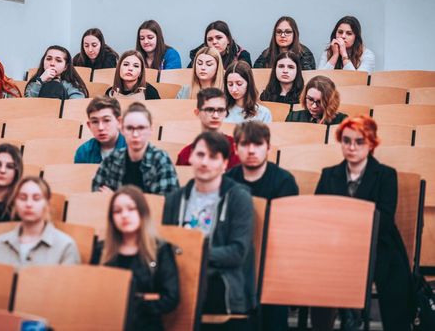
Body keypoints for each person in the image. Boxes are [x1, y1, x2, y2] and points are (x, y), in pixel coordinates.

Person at [312, 116, 414, 331]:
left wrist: (345, 221)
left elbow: (384, 219)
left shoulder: (386, 175)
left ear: (371, 144)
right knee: (318, 266)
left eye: (359, 142)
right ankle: (342, 315)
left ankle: (353, 312)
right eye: (346, 141)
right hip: (336, 245)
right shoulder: (329, 174)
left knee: (393, 275)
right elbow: (320, 214)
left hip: (376, 244)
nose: (352, 147)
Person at [163, 131, 255, 328]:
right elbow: (166, 244)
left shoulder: (239, 198)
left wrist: (196, 254)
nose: (204, 162)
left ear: (224, 164)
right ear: (190, 158)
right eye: (200, 155)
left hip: (220, 279)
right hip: (179, 276)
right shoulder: (175, 199)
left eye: (213, 157)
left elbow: (238, 252)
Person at [226, 121, 297, 331]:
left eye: (257, 144)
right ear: (235, 148)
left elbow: (286, 231)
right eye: (245, 144)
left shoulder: (284, 181)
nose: (251, 150)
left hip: (273, 261)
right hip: (237, 259)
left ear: (268, 147)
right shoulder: (228, 181)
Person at [99, 185, 180, 330]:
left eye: (131, 209)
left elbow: (170, 298)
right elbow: (95, 295)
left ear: (142, 213)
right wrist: (145, 297)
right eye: (117, 211)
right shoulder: (101, 250)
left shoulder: (160, 250)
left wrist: (133, 301)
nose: (124, 215)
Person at [0, 176, 80, 267]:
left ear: (47, 204)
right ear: (15, 203)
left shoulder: (66, 246)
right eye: (23, 198)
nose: (29, 204)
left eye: (36, 198)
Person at [92, 102, 179, 195]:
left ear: (150, 129)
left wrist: (114, 196)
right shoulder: (111, 160)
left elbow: (165, 201)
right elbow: (97, 197)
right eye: (129, 128)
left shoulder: (161, 159)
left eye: (141, 128)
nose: (135, 134)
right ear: (122, 130)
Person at [176, 88, 241, 170]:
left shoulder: (236, 149)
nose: (215, 116)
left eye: (221, 110)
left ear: (225, 113)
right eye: (209, 110)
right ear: (197, 113)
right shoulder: (185, 155)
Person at [74, 96, 126, 163]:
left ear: (119, 122)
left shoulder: (135, 147)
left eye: (106, 120)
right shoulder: (83, 152)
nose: (100, 127)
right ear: (89, 125)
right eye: (95, 122)